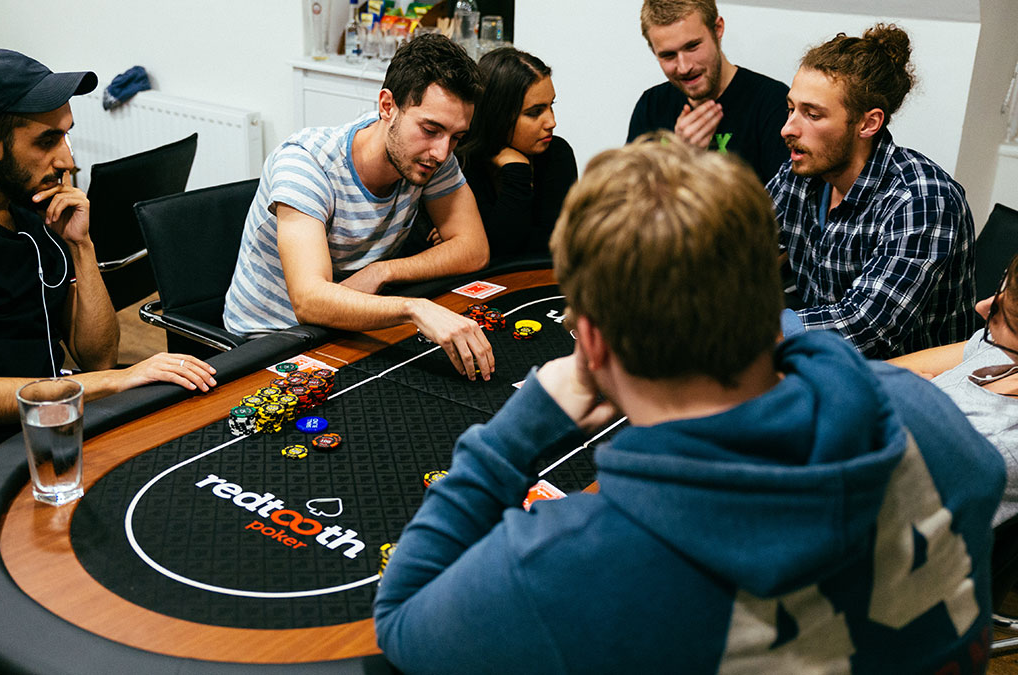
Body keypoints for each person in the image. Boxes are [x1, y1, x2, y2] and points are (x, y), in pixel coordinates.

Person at [373, 135, 1003, 673]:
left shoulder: (567, 566)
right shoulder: (931, 418)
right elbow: (984, 475)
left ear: (591, 342)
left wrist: (516, 432)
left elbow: (402, 621)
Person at [0, 50, 217, 491]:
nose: (68, 160)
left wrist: (82, 247)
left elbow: (97, 355)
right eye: (47, 141)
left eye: (67, 137)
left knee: (193, 463)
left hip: (50, 424)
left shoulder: (34, 211)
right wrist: (113, 382)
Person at [222, 34, 495, 381]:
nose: (442, 152)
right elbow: (309, 300)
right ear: (387, 107)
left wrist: (382, 272)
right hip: (268, 344)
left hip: (346, 331)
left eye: (456, 137)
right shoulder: (305, 163)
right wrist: (415, 308)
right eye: (431, 129)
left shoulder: (428, 159)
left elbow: (473, 249)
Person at [771, 24, 975, 359]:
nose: (788, 128)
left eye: (813, 114)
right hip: (824, 362)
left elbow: (864, 327)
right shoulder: (802, 174)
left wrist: (747, 328)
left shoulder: (922, 199)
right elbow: (737, 242)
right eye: (791, 108)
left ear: (868, 124)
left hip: (909, 384)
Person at [890, 254, 1018, 527]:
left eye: (1005, 309)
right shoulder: (1001, 350)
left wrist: (896, 396)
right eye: (1001, 286)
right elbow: (879, 373)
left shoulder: (993, 442)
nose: (982, 307)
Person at [627, 0, 788, 184]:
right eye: (668, 55)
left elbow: (786, 205)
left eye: (692, 46)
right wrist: (678, 158)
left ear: (717, 29)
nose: (684, 67)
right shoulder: (652, 105)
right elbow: (629, 201)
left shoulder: (771, 102)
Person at [455, 47, 577, 260]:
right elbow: (494, 252)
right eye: (535, 112)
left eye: (551, 106)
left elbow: (558, 247)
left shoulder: (558, 154)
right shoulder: (461, 162)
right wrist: (517, 170)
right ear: (498, 115)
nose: (551, 122)